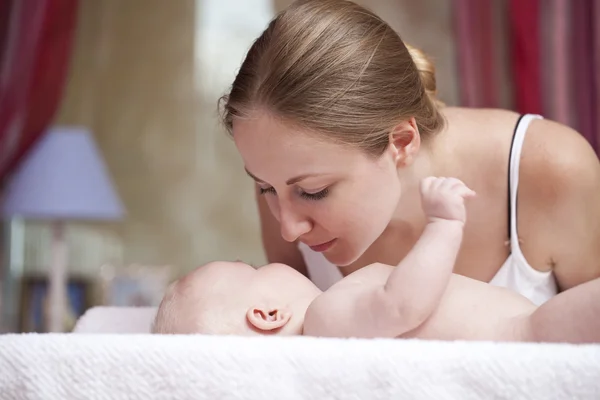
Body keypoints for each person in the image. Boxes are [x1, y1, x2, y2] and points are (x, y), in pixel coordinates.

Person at [219, 0, 600, 305]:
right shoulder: (283, 180)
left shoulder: (550, 169)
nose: (288, 230)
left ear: (402, 142)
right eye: (265, 188)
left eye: (314, 191)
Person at [151, 177, 600, 344]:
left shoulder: (336, 314)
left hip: (537, 326)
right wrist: (443, 225)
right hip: (535, 332)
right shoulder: (327, 318)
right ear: (268, 315)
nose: (256, 260)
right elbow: (400, 304)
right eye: (250, 269)